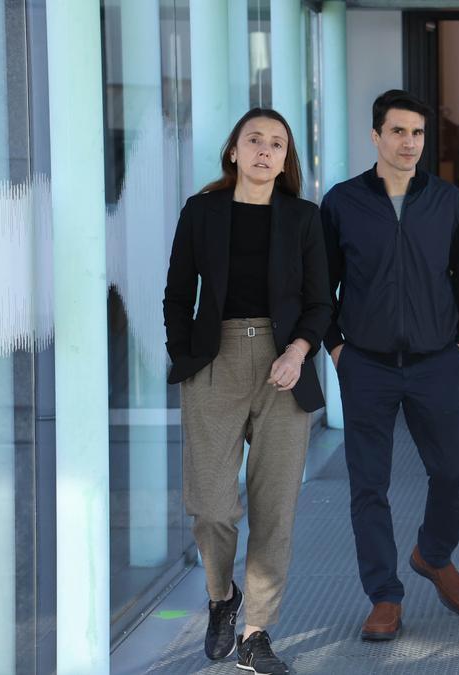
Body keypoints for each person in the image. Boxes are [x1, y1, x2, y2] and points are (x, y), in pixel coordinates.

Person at [163, 108, 332, 674]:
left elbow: (320, 301)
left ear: (286, 159)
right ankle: (221, 598)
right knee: (211, 506)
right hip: (215, 361)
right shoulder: (202, 212)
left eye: (276, 144)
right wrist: (187, 360)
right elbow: (176, 293)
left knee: (274, 509)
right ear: (233, 151)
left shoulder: (304, 218)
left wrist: (299, 350)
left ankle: (256, 632)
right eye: (253, 140)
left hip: (284, 364)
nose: (264, 150)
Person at [321, 89, 459, 642]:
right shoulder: (343, 202)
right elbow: (320, 284)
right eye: (397, 131)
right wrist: (335, 346)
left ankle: (432, 554)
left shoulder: (447, 200)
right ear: (375, 136)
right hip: (364, 363)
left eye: (417, 133)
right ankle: (385, 597)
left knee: (453, 468)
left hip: (434, 361)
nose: (409, 142)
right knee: (369, 484)